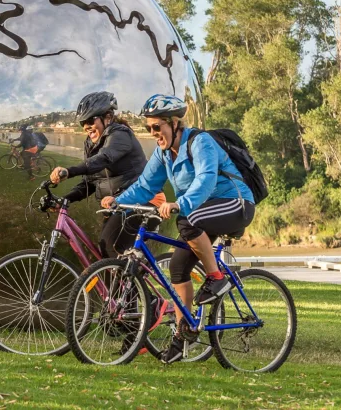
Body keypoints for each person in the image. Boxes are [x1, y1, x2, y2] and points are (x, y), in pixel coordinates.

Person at [105, 94, 255, 364]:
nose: (153, 134)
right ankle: (183, 334)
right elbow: (145, 185)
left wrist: (179, 204)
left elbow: (206, 179)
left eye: (156, 127)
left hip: (236, 203)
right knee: (177, 267)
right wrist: (118, 202)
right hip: (204, 209)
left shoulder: (200, 142)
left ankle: (216, 277)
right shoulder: (164, 153)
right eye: (148, 129)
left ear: (174, 123)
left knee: (187, 221)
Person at [49, 92, 165, 258]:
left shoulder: (120, 134)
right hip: (120, 204)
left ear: (108, 117)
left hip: (145, 200)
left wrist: (69, 171)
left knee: (112, 248)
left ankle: (134, 282)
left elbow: (104, 158)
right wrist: (65, 199)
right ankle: (121, 282)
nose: (86, 126)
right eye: (83, 122)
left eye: (90, 120)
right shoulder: (91, 144)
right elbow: (90, 182)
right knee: (105, 251)